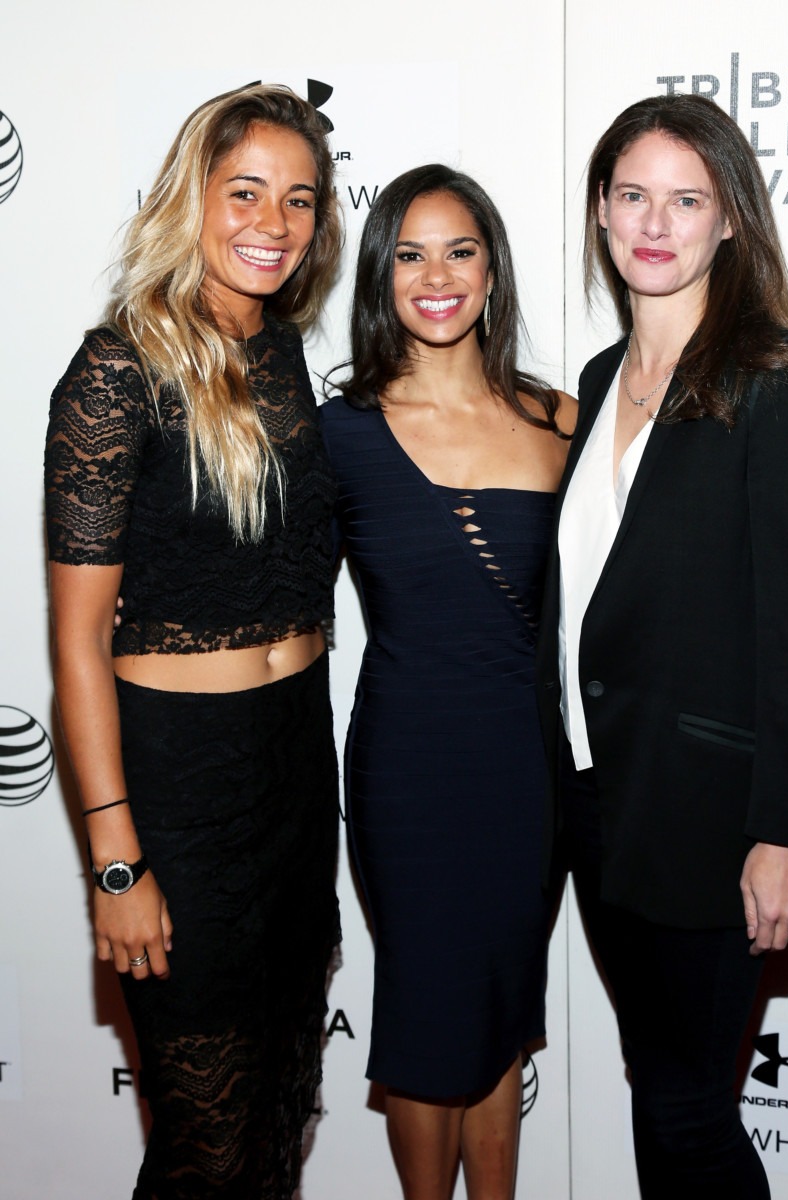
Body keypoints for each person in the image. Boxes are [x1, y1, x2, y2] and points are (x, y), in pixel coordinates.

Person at [536, 93, 788, 1198]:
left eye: (685, 198)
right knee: (662, 1095)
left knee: (686, 1111)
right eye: (631, 195)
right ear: (601, 214)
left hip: (710, 817)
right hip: (594, 804)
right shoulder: (595, 382)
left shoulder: (779, 374)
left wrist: (781, 834)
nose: (653, 222)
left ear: (728, 222)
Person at [45, 84, 343, 1198]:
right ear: (193, 199)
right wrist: (115, 860)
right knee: (204, 1150)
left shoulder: (284, 358)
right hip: (179, 789)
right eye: (245, 192)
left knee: (272, 1119)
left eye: (299, 200)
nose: (272, 222)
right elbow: (77, 641)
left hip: (294, 773)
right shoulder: (117, 372)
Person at [320, 164, 576, 1200]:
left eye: (459, 250)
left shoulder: (562, 421)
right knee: (428, 1016)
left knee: (503, 1009)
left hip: (526, 771)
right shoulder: (338, 433)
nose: (437, 276)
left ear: (490, 268)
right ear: (381, 274)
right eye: (411, 253)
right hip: (406, 776)